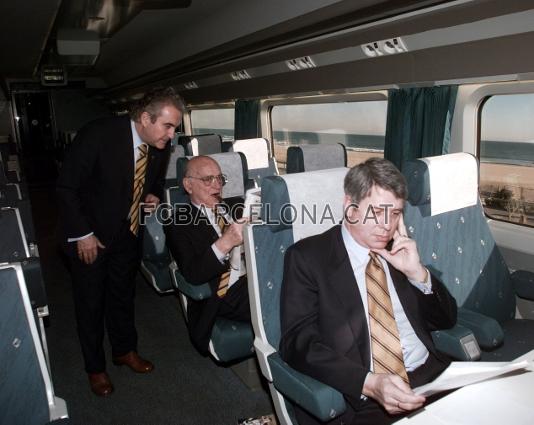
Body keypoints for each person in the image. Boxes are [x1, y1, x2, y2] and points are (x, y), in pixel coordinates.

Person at [279, 157, 457, 425]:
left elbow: (446, 319)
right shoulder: (308, 258)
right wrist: (369, 383)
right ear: (350, 207)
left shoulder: (400, 251)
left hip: (433, 376)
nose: (387, 224)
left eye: (395, 213)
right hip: (368, 398)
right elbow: (297, 343)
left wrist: (418, 274)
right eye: (378, 211)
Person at [56, 87, 184, 396]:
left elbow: (152, 177)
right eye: (167, 126)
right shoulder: (98, 135)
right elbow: (66, 187)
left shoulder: (159, 143)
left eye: (175, 128)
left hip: (129, 232)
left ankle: (124, 350)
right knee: (90, 303)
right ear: (144, 118)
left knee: (122, 295)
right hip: (91, 236)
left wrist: (152, 193)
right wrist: (83, 234)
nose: (171, 135)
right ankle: (95, 368)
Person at [165, 155, 250, 354]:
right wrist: (226, 241)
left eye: (219, 178)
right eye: (207, 179)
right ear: (188, 185)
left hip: (257, 276)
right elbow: (194, 274)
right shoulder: (178, 223)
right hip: (224, 290)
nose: (217, 185)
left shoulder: (238, 205)